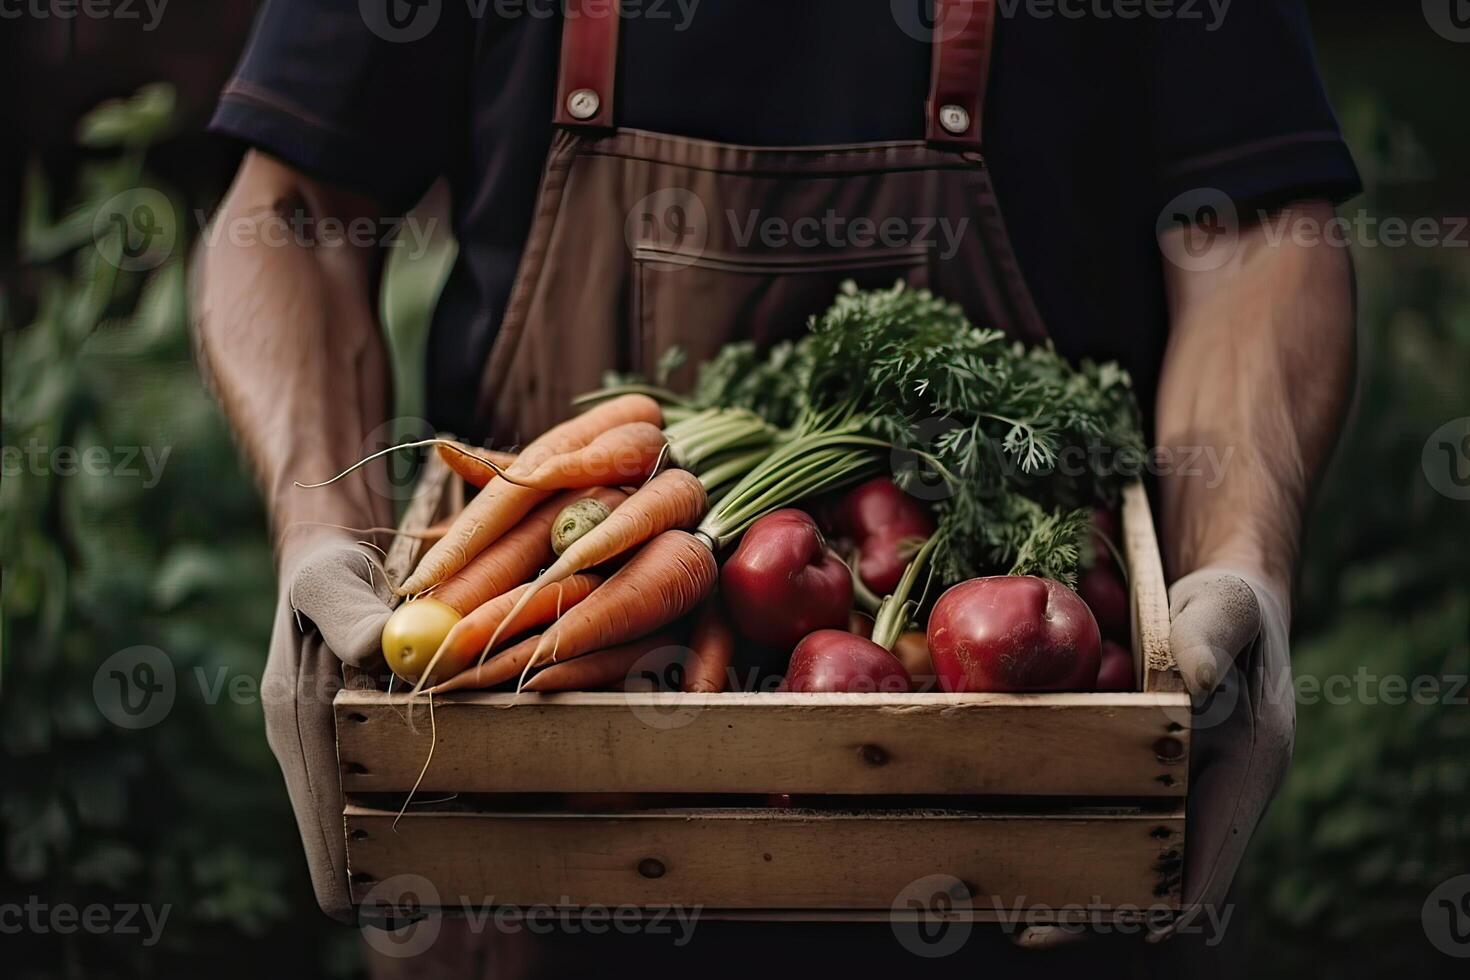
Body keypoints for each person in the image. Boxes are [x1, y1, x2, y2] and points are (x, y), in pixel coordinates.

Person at [193, 0, 1358, 973]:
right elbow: (293, 211)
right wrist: (319, 525)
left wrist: (1239, 552)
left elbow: (1252, 227)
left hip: (1043, 829)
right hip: (529, 815)